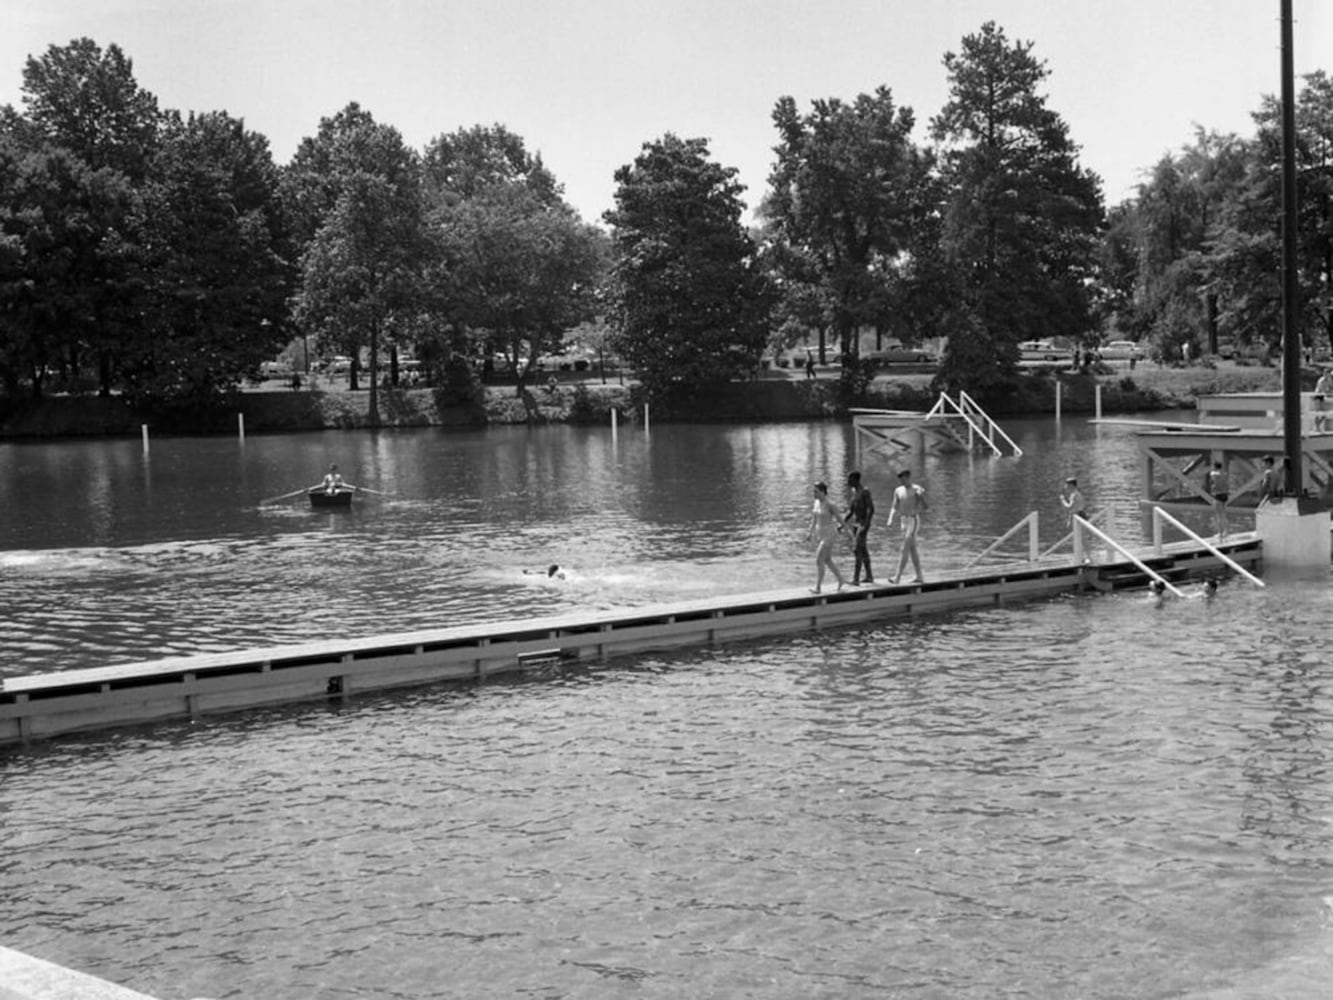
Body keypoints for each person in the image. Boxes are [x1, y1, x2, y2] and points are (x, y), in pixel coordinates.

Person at [886, 468, 928, 585]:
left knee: (904, 548)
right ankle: (919, 576)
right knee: (912, 550)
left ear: (908, 477)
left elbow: (925, 507)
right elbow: (894, 506)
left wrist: (920, 497)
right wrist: (890, 519)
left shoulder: (917, 489)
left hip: (913, 520)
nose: (901, 481)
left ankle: (897, 577)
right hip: (903, 521)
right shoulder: (898, 490)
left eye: (903, 478)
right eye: (900, 479)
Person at [805, 481, 847, 593]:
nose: (814, 494)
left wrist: (849, 532)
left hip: (830, 534)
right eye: (813, 491)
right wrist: (810, 532)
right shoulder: (816, 503)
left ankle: (818, 588)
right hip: (821, 534)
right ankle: (841, 580)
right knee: (827, 560)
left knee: (819, 560)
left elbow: (839, 519)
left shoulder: (830, 504)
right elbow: (814, 519)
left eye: (816, 492)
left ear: (823, 492)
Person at [843, 471, 876, 585]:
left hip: (863, 524)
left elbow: (871, 509)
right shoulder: (854, 492)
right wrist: (842, 523)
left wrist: (866, 524)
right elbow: (851, 511)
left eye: (849, 479)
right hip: (856, 524)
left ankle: (856, 579)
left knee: (857, 550)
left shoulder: (864, 492)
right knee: (863, 550)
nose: (848, 481)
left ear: (856, 480)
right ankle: (869, 576)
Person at [1205, 460, 1229, 538]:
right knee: (1224, 515)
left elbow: (1212, 482)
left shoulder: (1213, 474)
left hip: (1218, 495)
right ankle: (1226, 532)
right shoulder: (1225, 474)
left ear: (1215, 467)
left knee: (1218, 515)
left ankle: (1221, 533)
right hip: (1224, 495)